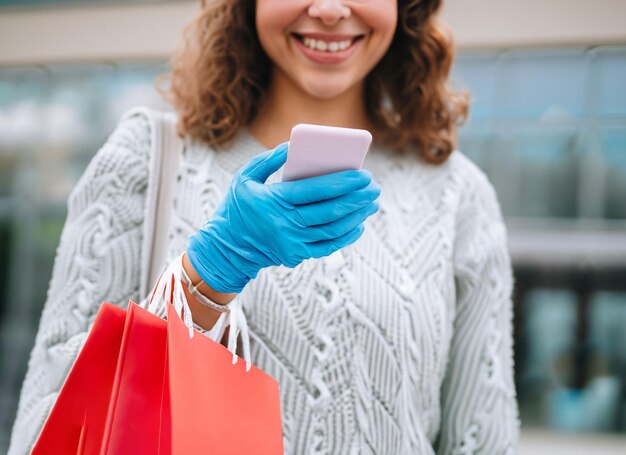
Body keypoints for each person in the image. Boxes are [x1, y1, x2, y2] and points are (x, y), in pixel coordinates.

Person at [9, 0, 520, 453]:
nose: (329, 9)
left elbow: (483, 438)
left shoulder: (458, 194)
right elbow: (46, 426)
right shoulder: (148, 158)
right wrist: (210, 272)